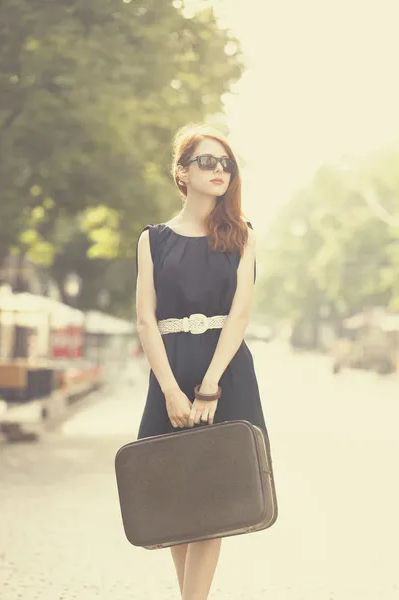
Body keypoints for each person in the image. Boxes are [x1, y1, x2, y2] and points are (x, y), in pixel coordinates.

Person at [135, 123, 270, 600]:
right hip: (169, 368)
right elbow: (146, 321)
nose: (219, 170)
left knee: (212, 498)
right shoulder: (152, 239)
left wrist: (210, 383)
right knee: (175, 498)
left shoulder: (242, 235)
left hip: (224, 370)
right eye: (207, 162)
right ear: (182, 172)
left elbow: (241, 313)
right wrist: (171, 389)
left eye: (226, 164)